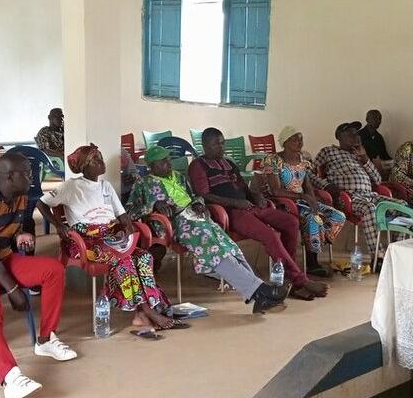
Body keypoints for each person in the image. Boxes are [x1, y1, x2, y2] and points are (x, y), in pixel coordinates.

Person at [0, 152, 76, 398]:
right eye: (27, 173)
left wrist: (20, 235)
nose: (32, 178)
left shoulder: (19, 196)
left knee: (54, 269)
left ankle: (45, 340)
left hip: (4, 258)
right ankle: (10, 377)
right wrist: (12, 290)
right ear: (9, 176)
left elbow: (12, 229)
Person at [127, 146, 288, 313]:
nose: (169, 164)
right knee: (216, 251)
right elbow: (131, 211)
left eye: (168, 160)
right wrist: (153, 205)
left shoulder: (179, 177)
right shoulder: (143, 184)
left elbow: (194, 196)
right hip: (178, 224)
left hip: (199, 218)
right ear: (152, 166)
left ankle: (257, 293)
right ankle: (259, 291)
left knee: (230, 247)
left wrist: (198, 203)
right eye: (163, 162)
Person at [39, 144, 179, 331]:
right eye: (95, 160)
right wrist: (58, 225)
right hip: (85, 240)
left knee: (144, 257)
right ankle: (148, 311)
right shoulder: (71, 186)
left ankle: (146, 310)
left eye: (100, 157)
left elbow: (123, 216)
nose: (101, 162)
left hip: (110, 236)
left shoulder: (106, 186)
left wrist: (127, 230)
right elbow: (41, 204)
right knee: (124, 260)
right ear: (84, 167)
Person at [189, 128, 328, 302]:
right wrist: (235, 203)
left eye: (222, 143)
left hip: (249, 206)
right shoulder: (198, 165)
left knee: (290, 222)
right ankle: (300, 280)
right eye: (215, 144)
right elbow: (203, 195)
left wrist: (255, 196)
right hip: (230, 212)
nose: (221, 147)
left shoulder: (228, 163)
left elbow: (243, 188)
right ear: (204, 145)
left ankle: (287, 276)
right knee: (270, 235)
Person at [258, 126, 345, 277]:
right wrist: (303, 197)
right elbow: (275, 191)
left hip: (303, 202)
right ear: (285, 142)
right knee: (313, 219)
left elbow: (307, 186)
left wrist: (313, 201)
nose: (299, 142)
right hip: (284, 204)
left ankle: (316, 241)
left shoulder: (303, 160)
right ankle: (312, 262)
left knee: (338, 216)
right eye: (295, 139)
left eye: (301, 139)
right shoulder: (274, 160)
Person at [312, 122, 406, 262]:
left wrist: (365, 158)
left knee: (402, 206)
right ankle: (378, 257)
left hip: (370, 196)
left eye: (356, 134)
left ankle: (395, 252)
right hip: (349, 197)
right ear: (339, 137)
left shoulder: (359, 154)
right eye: (350, 134)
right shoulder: (328, 151)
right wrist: (325, 185)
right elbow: (310, 173)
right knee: (369, 208)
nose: (356, 137)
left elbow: (377, 179)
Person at [358, 110, 392, 177]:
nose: (377, 121)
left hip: (379, 169)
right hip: (363, 169)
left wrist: (395, 162)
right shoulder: (359, 136)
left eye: (379, 119)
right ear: (367, 119)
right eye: (374, 118)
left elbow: (384, 155)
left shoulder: (379, 137)